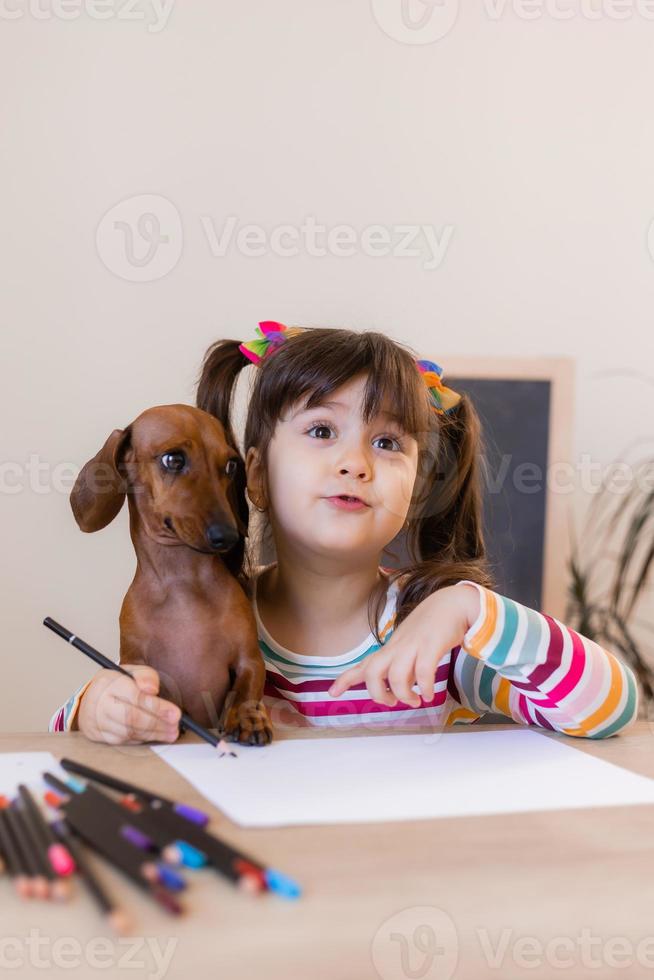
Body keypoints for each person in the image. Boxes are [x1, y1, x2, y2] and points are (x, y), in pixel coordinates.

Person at [49, 321, 638, 744]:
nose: (356, 462)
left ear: (416, 488)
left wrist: (466, 608)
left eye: (387, 443)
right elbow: (85, 721)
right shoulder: (202, 619)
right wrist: (97, 711)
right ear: (253, 474)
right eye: (323, 430)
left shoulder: (435, 639)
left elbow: (611, 708)